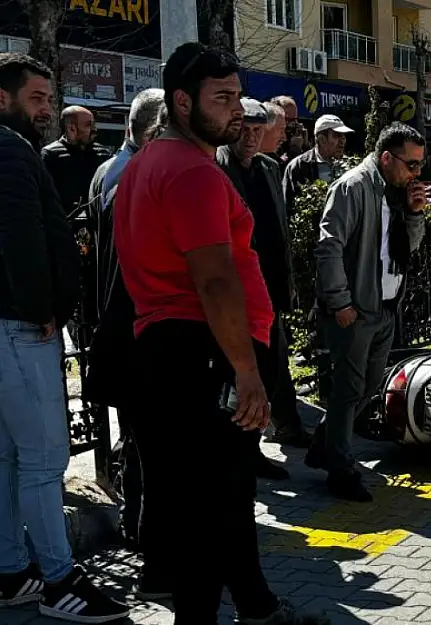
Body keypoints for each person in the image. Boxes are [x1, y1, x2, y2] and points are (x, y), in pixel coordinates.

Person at [113, 42, 327, 624]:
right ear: (183, 102)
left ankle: (257, 607)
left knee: (224, 497)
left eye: (237, 95)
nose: (237, 109)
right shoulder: (190, 173)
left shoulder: (148, 164)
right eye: (222, 97)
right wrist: (247, 371)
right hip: (203, 349)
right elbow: (213, 279)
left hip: (174, 346)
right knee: (210, 508)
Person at [0, 52, 129, 623]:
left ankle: (12, 573)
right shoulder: (8, 149)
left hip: (9, 325)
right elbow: (21, 237)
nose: (47, 109)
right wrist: (44, 309)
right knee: (44, 460)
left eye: (50, 99)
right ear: (2, 98)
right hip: (21, 328)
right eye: (37, 98)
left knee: (8, 459)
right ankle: (58, 580)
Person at [307, 122, 427, 501]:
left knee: (369, 386)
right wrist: (340, 301)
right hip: (356, 309)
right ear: (386, 157)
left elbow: (408, 246)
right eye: (411, 164)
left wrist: (414, 212)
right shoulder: (353, 187)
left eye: (420, 166)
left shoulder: (395, 191)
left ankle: (324, 447)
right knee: (348, 390)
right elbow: (329, 247)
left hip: (384, 306)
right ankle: (341, 470)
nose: (415, 173)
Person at [84, 88, 168, 596]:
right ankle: (152, 553)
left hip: (126, 333)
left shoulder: (125, 178)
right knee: (152, 451)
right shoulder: (133, 180)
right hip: (141, 336)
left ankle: (142, 534)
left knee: (143, 448)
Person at [217, 97, 312, 458]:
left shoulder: (270, 169)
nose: (252, 138)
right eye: (246, 130)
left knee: (271, 371)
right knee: (239, 378)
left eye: (259, 130)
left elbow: (280, 231)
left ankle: (254, 448)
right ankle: (241, 453)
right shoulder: (218, 168)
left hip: (270, 290)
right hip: (237, 295)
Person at [40, 105, 113, 218]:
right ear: (71, 128)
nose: (94, 130)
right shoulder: (50, 156)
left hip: (96, 227)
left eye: (93, 124)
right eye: (88, 125)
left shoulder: (103, 155)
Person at [282, 114, 354, 211]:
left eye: (344, 136)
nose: (342, 140)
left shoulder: (350, 166)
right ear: (321, 139)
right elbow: (288, 205)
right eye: (337, 135)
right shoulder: (299, 166)